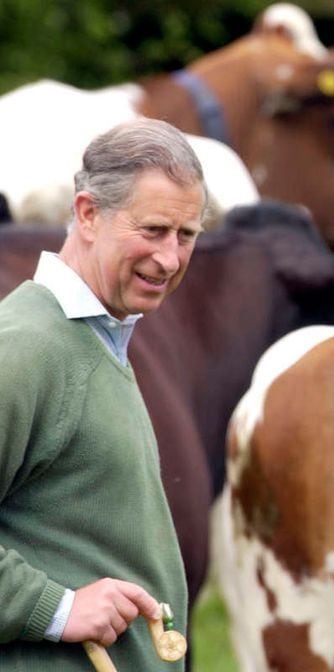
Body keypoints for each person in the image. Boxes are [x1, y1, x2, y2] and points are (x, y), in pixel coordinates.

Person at [0, 118, 206, 670]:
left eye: (186, 236)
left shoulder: (99, 336)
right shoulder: (26, 348)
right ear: (89, 214)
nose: (170, 259)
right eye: (154, 230)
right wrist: (57, 609)